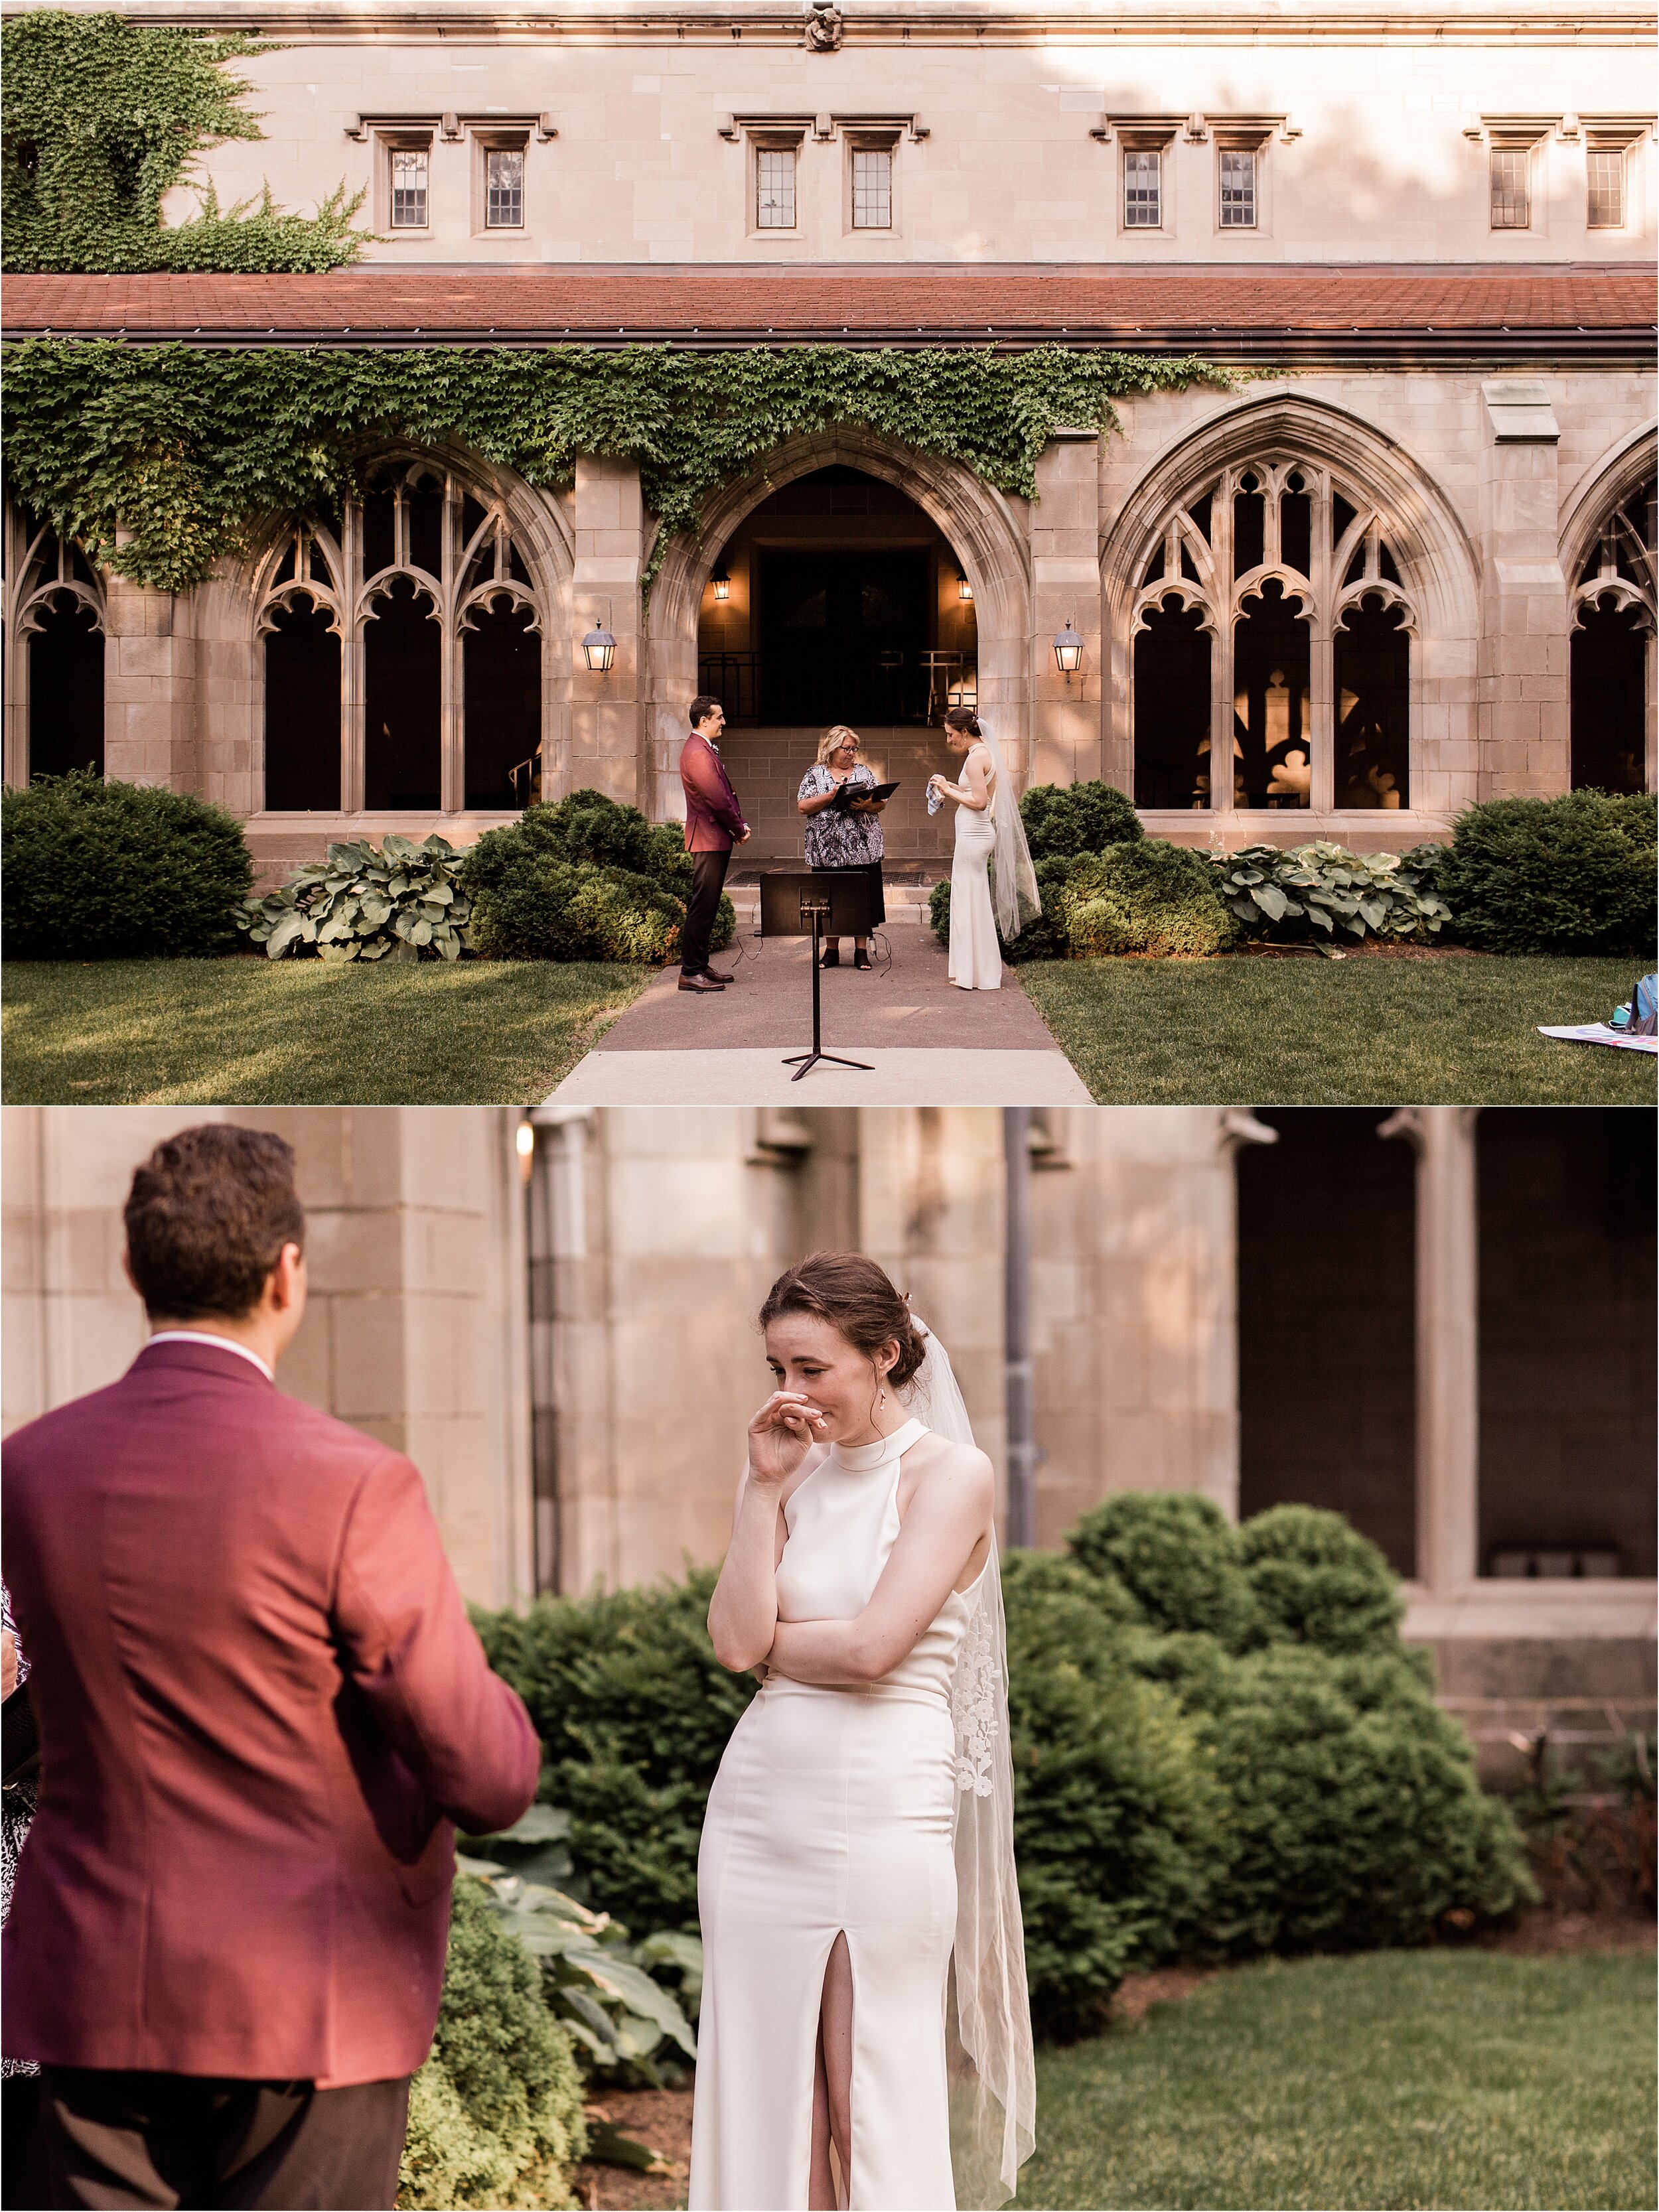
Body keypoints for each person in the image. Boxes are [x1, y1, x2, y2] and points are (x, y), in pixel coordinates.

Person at [1, 1124, 541, 2211]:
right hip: (303, 1998)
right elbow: (486, 1773)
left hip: (92, 1981)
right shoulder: (353, 1481)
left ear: (130, 1268)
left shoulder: (30, 1466)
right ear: (286, 1272)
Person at [690, 1253, 1035, 2212]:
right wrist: (762, 1490)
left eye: (814, 1368)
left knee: (866, 2093)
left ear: (884, 1354)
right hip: (759, 1810)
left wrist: (774, 1649)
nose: (793, 1394)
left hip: (883, 1809)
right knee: (767, 2098)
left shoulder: (951, 1474)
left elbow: (878, 1646)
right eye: (777, 1370)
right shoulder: (783, 1469)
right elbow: (729, 1639)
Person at [928, 707, 1041, 993]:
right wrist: (951, 786)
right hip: (974, 834)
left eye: (951, 735)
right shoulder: (983, 753)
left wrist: (945, 787)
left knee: (971, 901)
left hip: (973, 834)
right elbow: (977, 794)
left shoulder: (977, 757)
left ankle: (978, 973)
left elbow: (979, 802)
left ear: (964, 732)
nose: (950, 740)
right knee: (970, 900)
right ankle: (973, 971)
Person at [796, 726, 888, 971]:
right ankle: (832, 952)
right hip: (827, 851)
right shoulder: (814, 775)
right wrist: (832, 796)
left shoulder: (864, 772)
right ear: (832, 748)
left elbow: (881, 804)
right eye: (846, 749)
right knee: (830, 900)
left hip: (863, 849)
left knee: (861, 899)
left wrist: (867, 805)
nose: (851, 753)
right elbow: (803, 806)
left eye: (854, 749)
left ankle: (861, 952)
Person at [679, 694, 751, 994]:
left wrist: (737, 824)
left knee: (707, 906)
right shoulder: (698, 752)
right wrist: (738, 827)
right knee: (702, 906)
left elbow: (722, 794)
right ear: (703, 720)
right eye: (719, 717)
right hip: (708, 838)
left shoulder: (702, 749)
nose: (724, 722)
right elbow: (717, 799)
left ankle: (700, 964)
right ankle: (690, 972)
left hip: (712, 837)